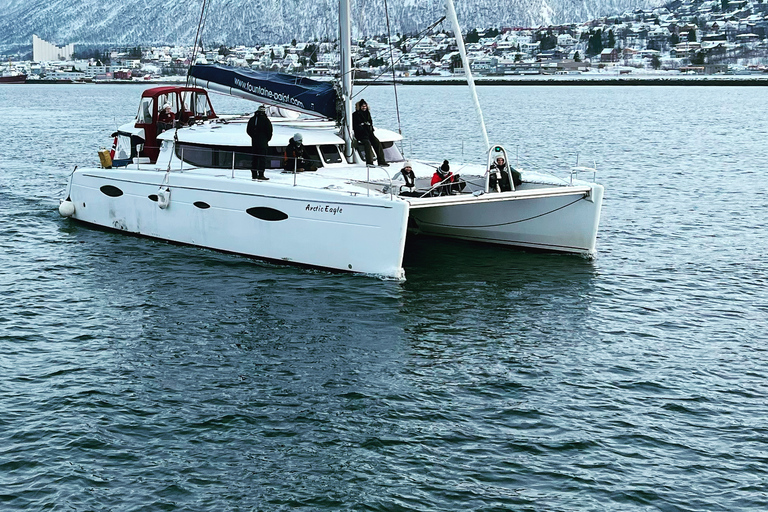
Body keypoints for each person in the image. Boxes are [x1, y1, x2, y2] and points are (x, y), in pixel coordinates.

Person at [352, 99, 388, 167]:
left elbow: (371, 122)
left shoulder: (367, 113)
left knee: (377, 143)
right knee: (367, 144)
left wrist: (369, 127)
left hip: (369, 133)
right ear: (359, 107)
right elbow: (355, 126)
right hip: (361, 135)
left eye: (365, 106)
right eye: (363, 106)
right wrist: (362, 127)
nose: (364, 107)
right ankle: (369, 162)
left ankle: (381, 161)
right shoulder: (355, 115)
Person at [247, 105, 273, 180]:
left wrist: (253, 136)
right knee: (262, 159)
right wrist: (266, 139)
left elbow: (248, 130)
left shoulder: (252, 119)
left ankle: (254, 174)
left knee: (254, 158)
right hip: (263, 143)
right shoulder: (266, 120)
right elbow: (269, 131)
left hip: (254, 142)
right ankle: (261, 174)